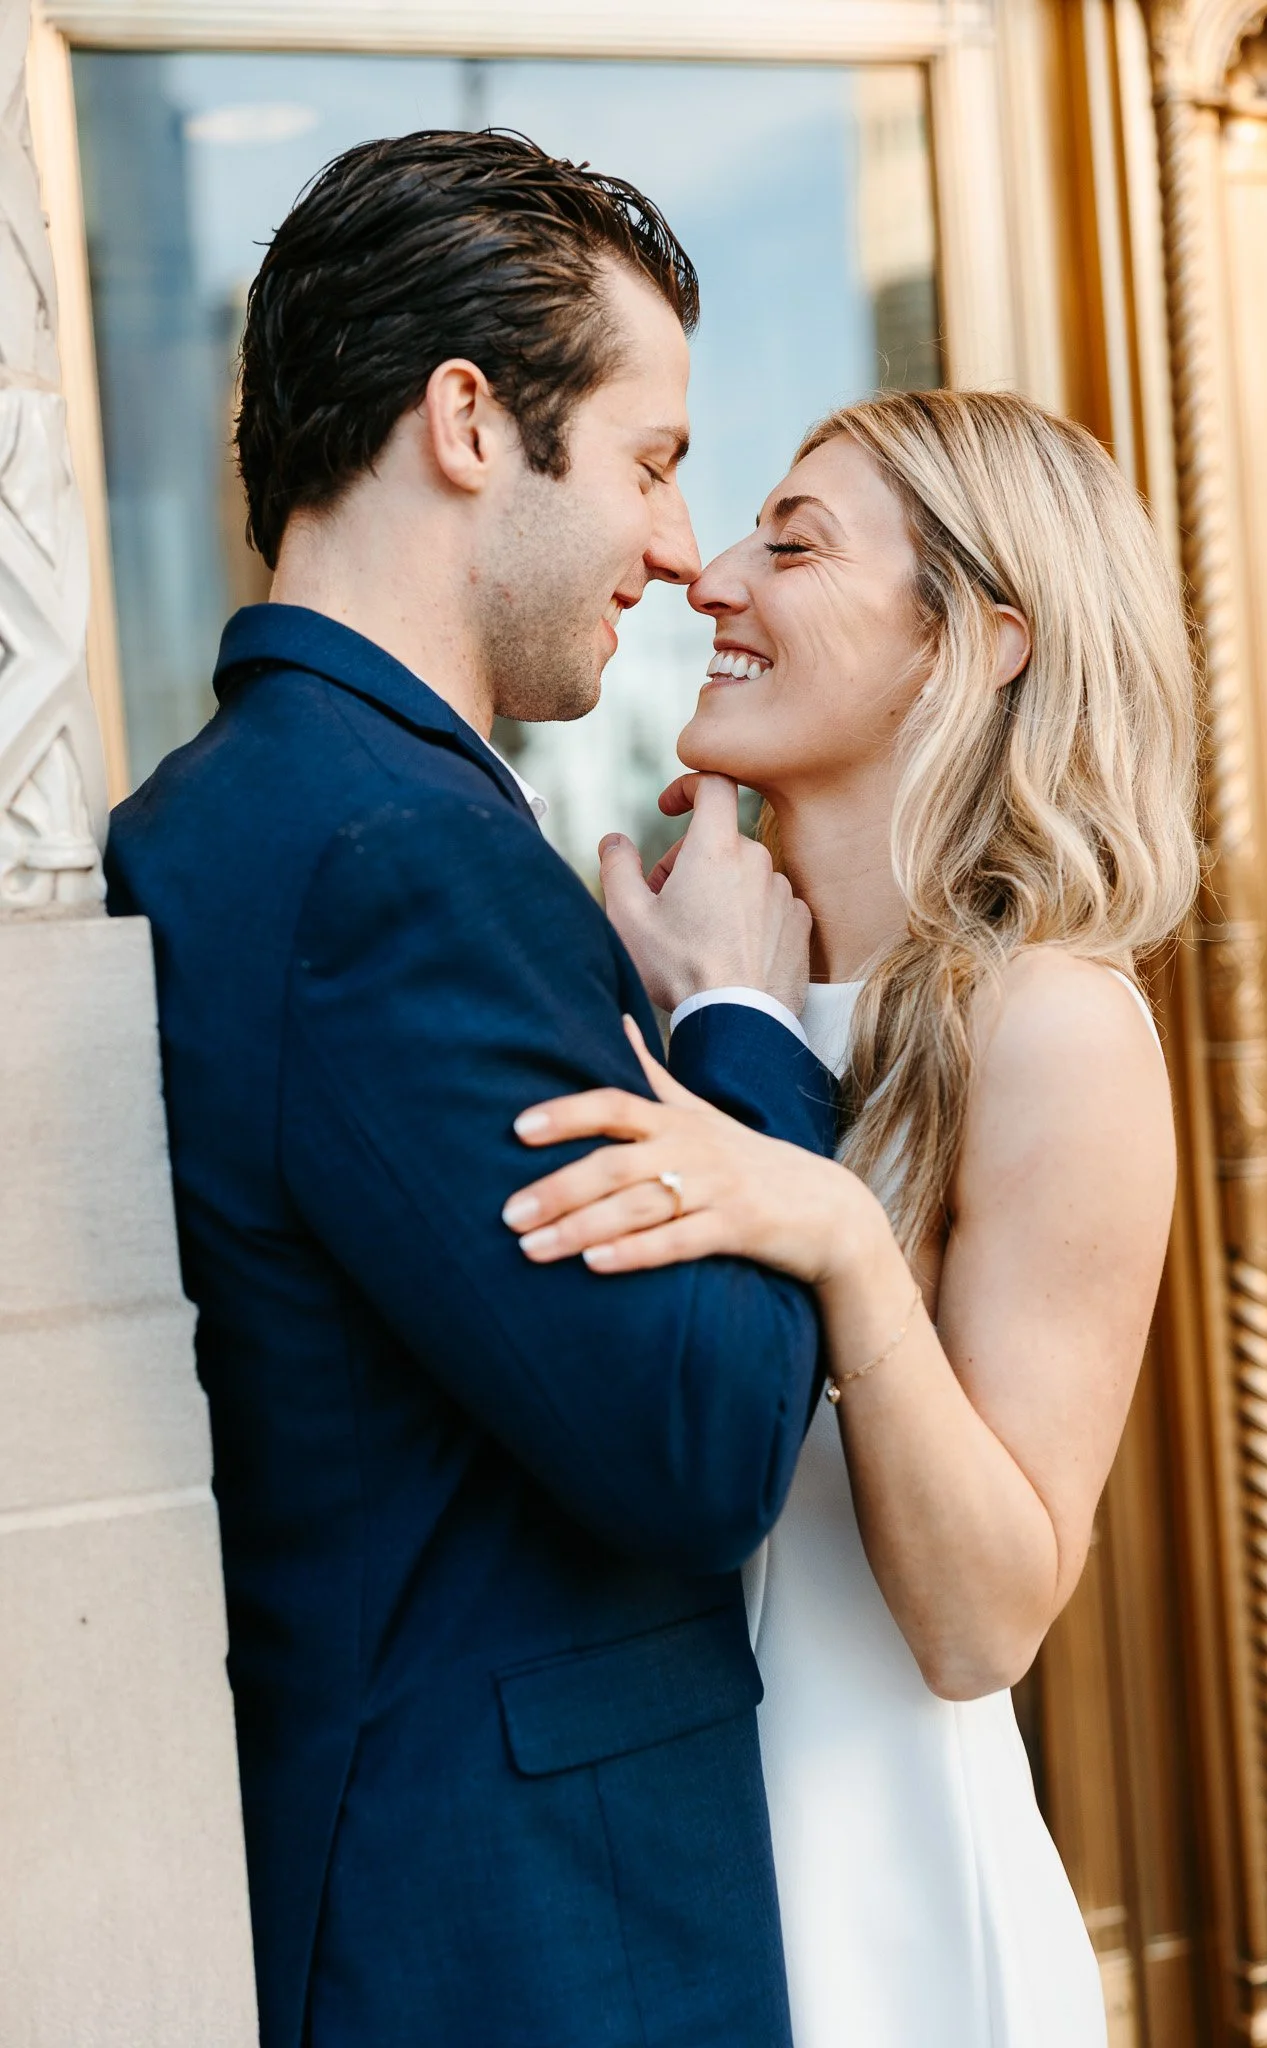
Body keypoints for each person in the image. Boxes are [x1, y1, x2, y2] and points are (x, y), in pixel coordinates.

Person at [104, 131, 838, 2048]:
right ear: (466, 421)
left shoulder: (225, 818)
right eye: (651, 464)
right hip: (524, 1954)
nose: (681, 551)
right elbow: (695, 1442)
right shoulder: (390, 862)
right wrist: (740, 1028)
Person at [503, 388, 1200, 2047]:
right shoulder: (674, 992)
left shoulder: (1051, 1026)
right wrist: (703, 1015)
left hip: (882, 1924)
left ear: (977, 641)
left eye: (791, 544)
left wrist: (836, 1240)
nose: (711, 578)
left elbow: (981, 1625)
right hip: (637, 1897)